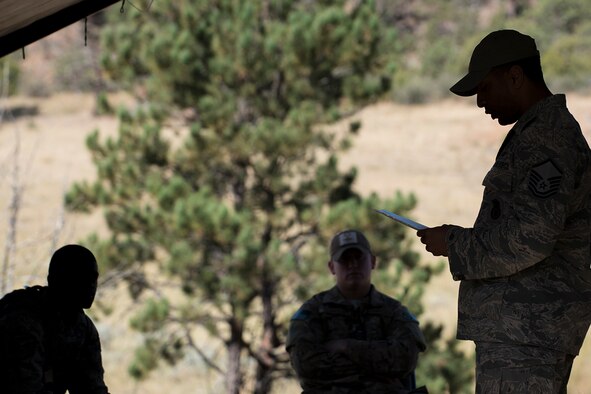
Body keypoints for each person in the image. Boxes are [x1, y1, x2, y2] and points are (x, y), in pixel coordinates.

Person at [417, 29, 591, 393]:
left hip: (527, 333)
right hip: (527, 330)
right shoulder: (540, 132)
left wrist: (454, 243)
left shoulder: (546, 138)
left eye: (484, 87)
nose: (480, 102)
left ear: (515, 76)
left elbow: (531, 239)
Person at [286, 229, 427, 393]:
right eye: (344, 259)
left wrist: (346, 347)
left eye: (359, 258)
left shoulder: (395, 313)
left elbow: (404, 360)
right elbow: (306, 366)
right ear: (332, 267)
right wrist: (376, 367)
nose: (353, 265)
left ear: (373, 262)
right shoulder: (312, 312)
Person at [0, 244, 110, 394]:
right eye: (81, 276)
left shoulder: (83, 328)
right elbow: (26, 388)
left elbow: (91, 388)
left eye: (93, 278)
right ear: (56, 280)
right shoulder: (23, 320)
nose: (91, 285)